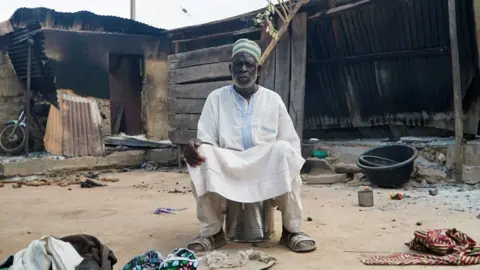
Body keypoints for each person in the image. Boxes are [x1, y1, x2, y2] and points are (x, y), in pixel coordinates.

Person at [184, 38, 316, 253]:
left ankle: (292, 230)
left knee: (285, 151)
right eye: (238, 64)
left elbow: (290, 141)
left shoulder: (273, 100)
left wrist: (279, 155)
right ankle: (212, 233)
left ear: (259, 69)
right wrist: (195, 146)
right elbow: (205, 137)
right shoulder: (215, 98)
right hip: (229, 164)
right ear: (230, 69)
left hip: (264, 165)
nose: (243, 69)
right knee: (201, 154)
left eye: (249, 64)